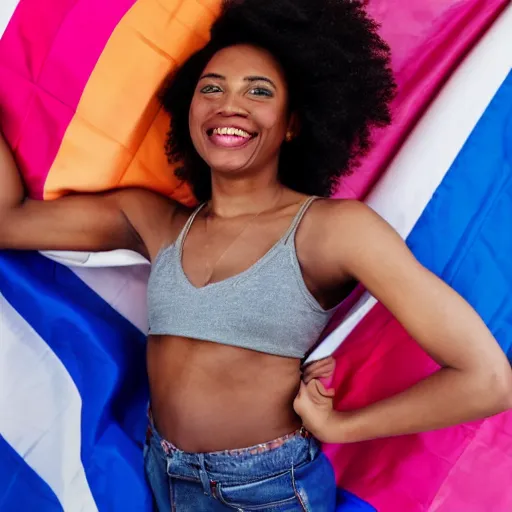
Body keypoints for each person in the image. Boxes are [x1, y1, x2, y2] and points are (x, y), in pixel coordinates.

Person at [0, 0, 511, 510]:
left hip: (266, 492)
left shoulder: (332, 230)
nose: (230, 104)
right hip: (158, 470)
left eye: (258, 91)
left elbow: (487, 380)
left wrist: (342, 426)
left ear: (292, 124)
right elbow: (9, 220)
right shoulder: (153, 221)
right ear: (190, 111)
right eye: (212, 88)